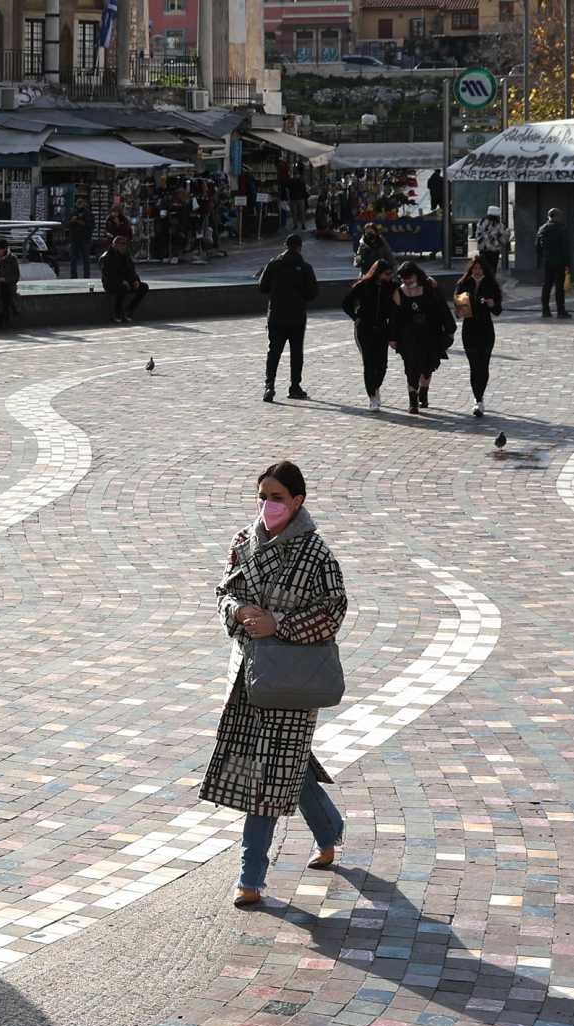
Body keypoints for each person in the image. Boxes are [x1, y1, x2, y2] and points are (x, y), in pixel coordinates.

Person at [203, 461, 348, 909]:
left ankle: (250, 878)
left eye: (277, 497)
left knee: (268, 776)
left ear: (298, 501)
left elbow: (334, 612)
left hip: (293, 682)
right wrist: (238, 613)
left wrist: (278, 624)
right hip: (249, 675)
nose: (268, 505)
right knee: (288, 763)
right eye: (262, 496)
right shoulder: (243, 541)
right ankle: (330, 831)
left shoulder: (317, 554)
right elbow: (223, 591)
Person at [257, 232, 318, 402]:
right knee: (296, 352)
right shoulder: (305, 267)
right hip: (297, 316)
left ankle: (269, 386)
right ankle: (294, 387)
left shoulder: (274, 264)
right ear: (299, 247)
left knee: (274, 352)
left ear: (286, 246)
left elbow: (262, 287)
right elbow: (313, 293)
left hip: (276, 315)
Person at [391, 259, 452, 414]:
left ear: (416, 275)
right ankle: (413, 401)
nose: (407, 281)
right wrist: (393, 337)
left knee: (427, 365)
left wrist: (449, 328)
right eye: (404, 278)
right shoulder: (399, 292)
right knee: (411, 367)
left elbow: (441, 308)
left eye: (409, 277)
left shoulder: (429, 287)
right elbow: (395, 317)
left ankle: (423, 391)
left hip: (429, 333)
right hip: (408, 336)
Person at [342, 258, 396, 412]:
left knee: (382, 365)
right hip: (364, 328)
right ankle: (372, 396)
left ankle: (376, 386)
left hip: (382, 328)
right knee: (369, 363)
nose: (389, 276)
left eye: (390, 274)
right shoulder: (363, 285)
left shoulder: (391, 287)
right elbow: (346, 303)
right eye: (386, 274)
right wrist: (356, 317)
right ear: (378, 273)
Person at [456, 251, 501, 419]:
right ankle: (478, 399)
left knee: (484, 365)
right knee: (474, 366)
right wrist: (460, 309)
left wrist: (492, 304)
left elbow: (498, 310)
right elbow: (459, 311)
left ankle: (480, 396)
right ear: (471, 269)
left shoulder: (491, 284)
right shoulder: (464, 283)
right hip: (469, 330)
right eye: (474, 268)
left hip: (486, 330)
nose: (477, 271)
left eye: (480, 268)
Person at [102, 234, 148, 323]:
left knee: (144, 287)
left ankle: (129, 310)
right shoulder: (108, 257)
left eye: (124, 244)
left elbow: (131, 270)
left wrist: (135, 280)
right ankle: (117, 313)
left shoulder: (126, 255)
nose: (123, 246)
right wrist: (121, 281)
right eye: (121, 244)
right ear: (114, 245)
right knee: (122, 288)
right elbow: (108, 274)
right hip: (111, 283)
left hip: (126, 281)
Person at [535, 207, 572, 318]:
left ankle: (545, 310)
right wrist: (568, 263)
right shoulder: (562, 229)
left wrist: (542, 257)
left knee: (547, 285)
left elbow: (537, 246)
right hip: (560, 261)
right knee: (559, 287)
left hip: (547, 261)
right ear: (556, 216)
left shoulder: (542, 229)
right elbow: (565, 248)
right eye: (560, 216)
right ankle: (561, 311)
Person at [64, 200, 94, 280]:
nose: (79, 205)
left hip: (85, 238)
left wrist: (78, 221)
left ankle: (86, 277)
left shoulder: (88, 213)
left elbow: (90, 225)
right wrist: (72, 221)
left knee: (86, 259)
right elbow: (67, 224)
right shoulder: (72, 212)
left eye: (81, 204)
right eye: (78, 203)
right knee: (73, 259)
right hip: (74, 238)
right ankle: (74, 276)